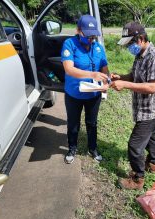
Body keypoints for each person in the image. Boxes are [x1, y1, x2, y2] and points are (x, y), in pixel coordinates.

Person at [110, 22, 155, 190]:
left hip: (151, 110)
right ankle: (153, 163)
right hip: (144, 110)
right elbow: (134, 76)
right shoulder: (140, 55)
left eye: (130, 44)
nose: (129, 48)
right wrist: (120, 77)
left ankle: (137, 179)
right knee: (150, 137)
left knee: (135, 145)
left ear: (141, 39)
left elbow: (151, 87)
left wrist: (124, 85)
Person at [61, 15, 109, 164]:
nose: (90, 39)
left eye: (93, 36)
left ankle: (93, 148)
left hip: (93, 94)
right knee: (73, 123)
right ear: (78, 30)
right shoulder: (69, 44)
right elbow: (69, 69)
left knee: (92, 122)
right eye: (87, 35)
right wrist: (91, 74)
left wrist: (107, 81)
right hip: (74, 94)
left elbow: (105, 68)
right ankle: (72, 148)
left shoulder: (98, 48)